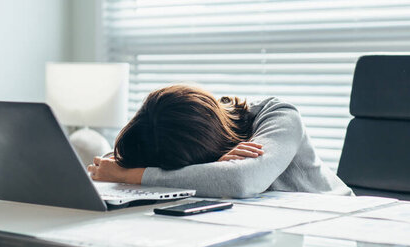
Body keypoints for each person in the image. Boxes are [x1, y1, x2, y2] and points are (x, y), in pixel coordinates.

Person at [87, 84, 352, 198]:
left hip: (339, 232)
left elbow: (240, 180)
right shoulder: (188, 132)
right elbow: (114, 162)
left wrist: (133, 176)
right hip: (272, 237)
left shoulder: (279, 115)